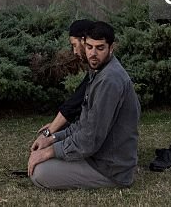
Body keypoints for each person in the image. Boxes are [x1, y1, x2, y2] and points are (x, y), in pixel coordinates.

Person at [28, 21, 141, 189]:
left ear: (111, 48)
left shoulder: (109, 80)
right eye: (89, 47)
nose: (93, 54)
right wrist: (52, 139)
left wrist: (50, 151)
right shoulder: (98, 72)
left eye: (100, 48)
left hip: (110, 169)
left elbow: (90, 138)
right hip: (97, 157)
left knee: (40, 172)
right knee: (41, 158)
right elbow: (84, 123)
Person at [34, 19, 95, 140]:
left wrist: (49, 132)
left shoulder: (104, 73)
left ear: (83, 41)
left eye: (74, 45)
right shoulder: (97, 69)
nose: (74, 51)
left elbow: (76, 103)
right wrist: (55, 126)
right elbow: (77, 99)